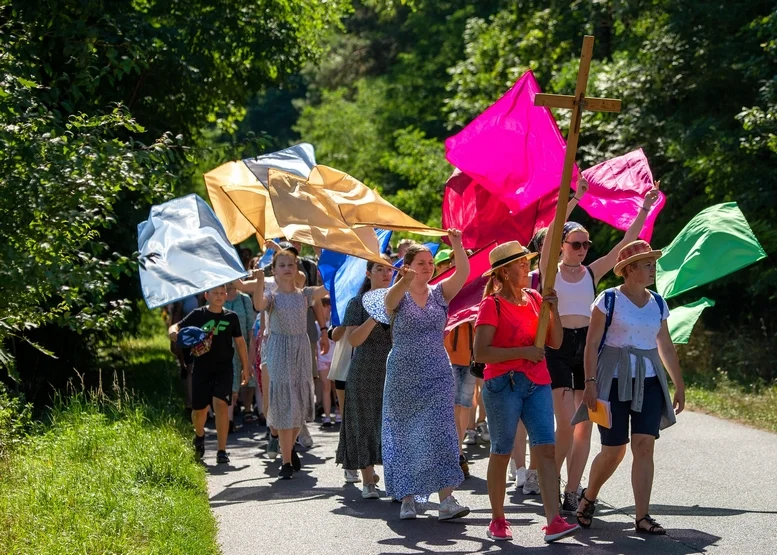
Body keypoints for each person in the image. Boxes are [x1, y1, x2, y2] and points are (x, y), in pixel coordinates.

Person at [539, 179, 660, 513]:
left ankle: (572, 489)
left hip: (589, 350)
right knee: (565, 424)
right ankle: (546, 478)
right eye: (576, 243)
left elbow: (626, 244)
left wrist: (645, 208)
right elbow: (550, 232)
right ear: (563, 245)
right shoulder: (549, 269)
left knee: (584, 428)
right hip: (558, 346)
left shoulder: (592, 273)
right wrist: (577, 196)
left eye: (586, 245)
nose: (582, 249)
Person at [572, 240, 684, 535]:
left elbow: (666, 347)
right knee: (613, 449)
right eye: (647, 264)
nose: (653, 268)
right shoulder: (608, 300)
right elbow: (592, 344)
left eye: (653, 264)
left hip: (649, 381)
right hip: (612, 380)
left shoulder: (658, 302)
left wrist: (679, 385)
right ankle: (589, 497)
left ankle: (642, 516)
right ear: (629, 270)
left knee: (645, 445)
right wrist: (590, 383)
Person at [473, 241, 579, 543]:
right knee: (502, 451)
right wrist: (523, 351)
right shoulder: (491, 305)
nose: (527, 266)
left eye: (526, 261)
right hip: (502, 385)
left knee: (546, 448)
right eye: (520, 263)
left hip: (537, 383)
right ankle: (497, 518)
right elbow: (481, 351)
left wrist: (554, 310)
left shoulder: (534, 298)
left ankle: (553, 520)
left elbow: (555, 342)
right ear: (504, 272)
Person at [365, 230, 470, 521]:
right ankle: (408, 499)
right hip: (403, 373)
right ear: (408, 264)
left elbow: (463, 271)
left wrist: (458, 244)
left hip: (437, 371)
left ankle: (446, 499)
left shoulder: (440, 293)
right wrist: (404, 280)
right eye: (421, 262)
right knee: (405, 435)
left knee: (442, 432)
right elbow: (388, 304)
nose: (428, 267)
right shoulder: (397, 293)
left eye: (430, 262)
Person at [252, 249, 330, 479]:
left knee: (299, 405)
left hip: (301, 350)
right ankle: (286, 461)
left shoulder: (304, 294)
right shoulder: (271, 296)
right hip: (278, 349)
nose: (287, 268)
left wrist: (336, 261)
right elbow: (258, 304)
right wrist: (258, 280)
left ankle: (289, 445)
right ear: (274, 270)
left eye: (291, 264)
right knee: (285, 403)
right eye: (282, 265)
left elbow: (328, 288)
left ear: (296, 268)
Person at [168, 285, 250, 465]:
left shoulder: (231, 317)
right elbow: (176, 326)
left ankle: (222, 450)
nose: (219, 296)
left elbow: (240, 343)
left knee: (221, 405)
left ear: (226, 296)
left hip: (224, 368)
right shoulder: (198, 315)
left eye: (222, 293)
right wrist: (173, 332)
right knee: (199, 412)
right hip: (202, 369)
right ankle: (199, 435)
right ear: (206, 295)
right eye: (215, 293)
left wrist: (246, 366)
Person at [336, 257, 393, 499]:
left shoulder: (399, 302)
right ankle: (368, 480)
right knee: (364, 423)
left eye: (389, 269)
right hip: (364, 371)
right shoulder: (357, 303)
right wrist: (374, 316)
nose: (385, 273)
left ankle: (395, 480)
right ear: (368, 274)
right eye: (379, 269)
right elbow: (354, 340)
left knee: (391, 426)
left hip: (393, 370)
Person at [443, 321, 477, 478]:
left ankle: (458, 448)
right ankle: (458, 454)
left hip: (471, 356)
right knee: (454, 406)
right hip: (450, 355)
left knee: (465, 405)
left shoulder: (476, 298)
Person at [224, 281, 257, 431]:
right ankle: (228, 420)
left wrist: (253, 347)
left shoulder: (244, 299)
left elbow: (251, 325)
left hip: (242, 345)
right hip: (223, 348)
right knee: (229, 383)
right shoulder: (217, 297)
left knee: (247, 379)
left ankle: (247, 408)